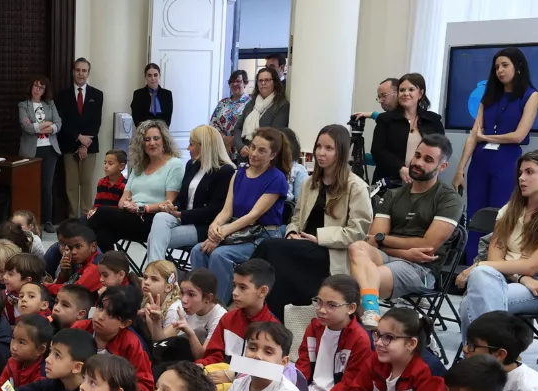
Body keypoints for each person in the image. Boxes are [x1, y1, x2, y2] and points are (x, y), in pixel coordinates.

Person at [456, 149, 538, 341]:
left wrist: (480, 264)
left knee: (470, 301)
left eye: (529, 172)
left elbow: (532, 266)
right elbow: (495, 256)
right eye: (520, 173)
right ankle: (491, 360)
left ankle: (482, 360)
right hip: (509, 277)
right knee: (480, 280)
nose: (522, 178)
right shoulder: (509, 209)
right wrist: (521, 278)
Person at [253, 125, 372, 319]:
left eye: (328, 148)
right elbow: (296, 218)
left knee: (270, 247)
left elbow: (358, 232)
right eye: (318, 146)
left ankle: (253, 302)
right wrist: (291, 232)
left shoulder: (356, 187)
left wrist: (319, 238)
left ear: (341, 151)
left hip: (331, 252)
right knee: (277, 256)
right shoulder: (310, 183)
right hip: (301, 245)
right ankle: (267, 312)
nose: (321, 153)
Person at [349, 133, 463, 329]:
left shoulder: (449, 199)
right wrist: (403, 251)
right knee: (357, 247)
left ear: (442, 167)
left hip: (422, 270)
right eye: (417, 155)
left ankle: (368, 326)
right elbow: (374, 239)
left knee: (357, 280)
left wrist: (384, 239)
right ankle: (372, 317)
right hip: (392, 258)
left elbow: (427, 245)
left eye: (428, 160)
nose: (418, 162)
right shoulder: (393, 194)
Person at [453, 47, 538, 260]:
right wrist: (460, 169)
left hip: (507, 161)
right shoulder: (489, 95)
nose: (500, 70)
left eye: (505, 65)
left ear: (518, 67)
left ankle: (495, 264)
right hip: (480, 160)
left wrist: (487, 138)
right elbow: (474, 134)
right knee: (474, 214)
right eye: (497, 67)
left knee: (500, 215)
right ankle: (470, 264)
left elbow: (518, 136)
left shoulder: (531, 95)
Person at [190, 128, 291, 304]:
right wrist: (214, 227)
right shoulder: (239, 173)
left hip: (263, 235)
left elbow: (253, 216)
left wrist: (221, 233)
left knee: (220, 255)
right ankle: (198, 301)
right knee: (198, 250)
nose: (254, 153)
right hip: (238, 231)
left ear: (273, 154)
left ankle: (217, 307)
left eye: (262, 150)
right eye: (253, 147)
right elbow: (227, 211)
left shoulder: (277, 178)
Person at [341, 308, 447, 391]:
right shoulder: (377, 358)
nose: (378, 343)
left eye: (388, 337)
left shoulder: (428, 371)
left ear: (411, 344)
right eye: (377, 334)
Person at [88, 119, 184, 254]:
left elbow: (170, 202)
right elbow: (123, 200)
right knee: (101, 232)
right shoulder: (138, 166)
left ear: (164, 141)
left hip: (154, 220)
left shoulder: (175, 165)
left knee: (101, 214)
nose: (152, 143)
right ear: (141, 144)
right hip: (129, 216)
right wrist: (127, 206)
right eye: (147, 139)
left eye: (156, 138)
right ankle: (111, 269)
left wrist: (141, 208)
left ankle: (71, 251)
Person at [144, 125, 235, 265]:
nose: (188, 148)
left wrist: (181, 214)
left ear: (203, 146)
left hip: (204, 226)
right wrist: (173, 207)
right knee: (161, 216)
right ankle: (157, 274)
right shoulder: (192, 165)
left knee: (155, 238)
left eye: (191, 144)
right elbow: (182, 199)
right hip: (184, 217)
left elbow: (215, 210)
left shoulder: (225, 171)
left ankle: (154, 273)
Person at [295, 275, 372, 391]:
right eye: (319, 302)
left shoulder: (359, 339)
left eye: (332, 305)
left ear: (351, 308)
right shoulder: (314, 328)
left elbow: (349, 385)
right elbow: (303, 365)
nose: (321, 310)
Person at [196, 259, 278, 367]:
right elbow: (214, 356)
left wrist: (233, 373)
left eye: (242, 287)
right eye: (234, 286)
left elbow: (269, 371)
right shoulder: (228, 318)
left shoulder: (274, 329)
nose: (234, 293)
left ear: (262, 291)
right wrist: (202, 365)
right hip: (218, 376)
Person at [369, 73, 444, 188]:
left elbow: (441, 150)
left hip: (423, 182)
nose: (406, 93)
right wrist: (400, 168)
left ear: (420, 93)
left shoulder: (433, 120)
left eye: (411, 89)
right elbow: (378, 151)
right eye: (402, 90)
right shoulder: (385, 119)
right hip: (390, 182)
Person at [57, 57, 105, 219]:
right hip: (69, 145)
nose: (81, 74)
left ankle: (85, 217)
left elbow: (96, 121)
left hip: (90, 146)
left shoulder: (97, 95)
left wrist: (85, 145)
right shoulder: (62, 96)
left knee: (86, 182)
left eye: (84, 71)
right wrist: (78, 138)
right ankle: (72, 217)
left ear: (88, 73)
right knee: (71, 184)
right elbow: (62, 121)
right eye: (78, 70)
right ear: (73, 72)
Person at [18, 76, 62, 234]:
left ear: (45, 90)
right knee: (31, 187)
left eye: (41, 87)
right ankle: (31, 221)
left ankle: (47, 220)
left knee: (47, 186)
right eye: (35, 86)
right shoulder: (24, 105)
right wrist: (44, 125)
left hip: (50, 149)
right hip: (31, 151)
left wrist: (41, 127)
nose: (37, 89)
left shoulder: (49, 104)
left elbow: (58, 123)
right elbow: (26, 126)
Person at [231, 68, 290, 158]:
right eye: (260, 80)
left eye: (267, 80)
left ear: (275, 82)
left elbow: (275, 133)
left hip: (265, 158)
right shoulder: (251, 103)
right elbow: (238, 128)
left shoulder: (282, 105)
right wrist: (240, 147)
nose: (263, 83)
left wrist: (254, 149)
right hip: (244, 156)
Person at [209, 70, 250, 154]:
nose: (234, 84)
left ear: (245, 83)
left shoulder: (250, 102)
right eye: (232, 81)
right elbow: (213, 124)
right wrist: (224, 138)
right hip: (221, 147)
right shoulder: (222, 103)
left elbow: (250, 126)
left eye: (238, 81)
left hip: (241, 148)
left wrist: (233, 140)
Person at [131, 62, 173, 128]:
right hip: (144, 132)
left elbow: (168, 117)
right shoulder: (138, 94)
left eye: (155, 75)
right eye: (149, 75)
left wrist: (161, 132)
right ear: (145, 77)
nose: (153, 78)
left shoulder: (167, 94)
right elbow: (136, 117)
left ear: (159, 76)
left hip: (162, 132)